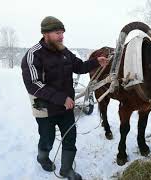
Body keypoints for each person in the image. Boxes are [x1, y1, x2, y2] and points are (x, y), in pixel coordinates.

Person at [21, 16, 108, 180]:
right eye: (57, 33)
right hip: (44, 106)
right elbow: (33, 84)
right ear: (46, 33)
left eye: (62, 33)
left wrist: (96, 61)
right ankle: (43, 157)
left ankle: (66, 169)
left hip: (65, 105)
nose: (61, 36)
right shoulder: (33, 55)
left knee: (70, 137)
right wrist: (62, 98)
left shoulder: (63, 51)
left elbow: (80, 66)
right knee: (48, 138)